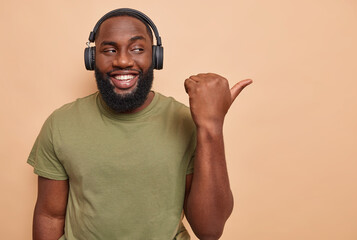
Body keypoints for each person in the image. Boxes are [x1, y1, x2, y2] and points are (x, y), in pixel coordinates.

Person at [27, 8, 252, 240]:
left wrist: (211, 127)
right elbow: (49, 216)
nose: (123, 60)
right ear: (92, 59)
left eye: (137, 49)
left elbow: (210, 230)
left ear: (155, 57)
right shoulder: (61, 124)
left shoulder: (186, 121)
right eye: (110, 49)